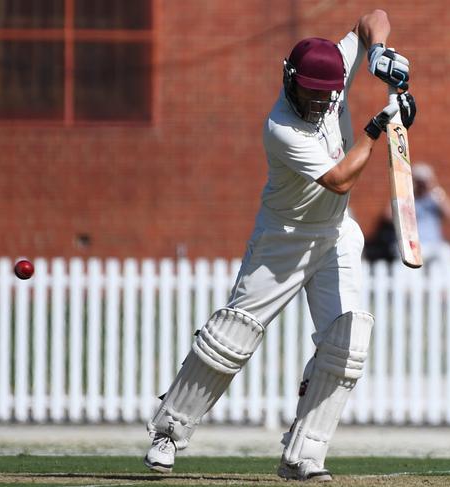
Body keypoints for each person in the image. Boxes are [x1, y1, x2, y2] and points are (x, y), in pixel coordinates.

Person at [144, 9, 416, 482]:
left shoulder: (335, 67)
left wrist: (377, 53)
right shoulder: (281, 128)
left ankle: (303, 454)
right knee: (232, 338)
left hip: (334, 235)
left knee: (347, 344)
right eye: (309, 91)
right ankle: (169, 431)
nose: (317, 101)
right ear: (290, 80)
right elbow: (337, 179)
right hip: (284, 239)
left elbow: (373, 16)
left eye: (325, 94)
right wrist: (379, 126)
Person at [412, 162, 450, 266]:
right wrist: (407, 189)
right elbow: (389, 216)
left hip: (435, 244)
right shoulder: (408, 198)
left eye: (423, 181)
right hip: (415, 245)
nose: (421, 185)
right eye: (419, 181)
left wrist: (434, 187)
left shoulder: (436, 197)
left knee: (446, 252)